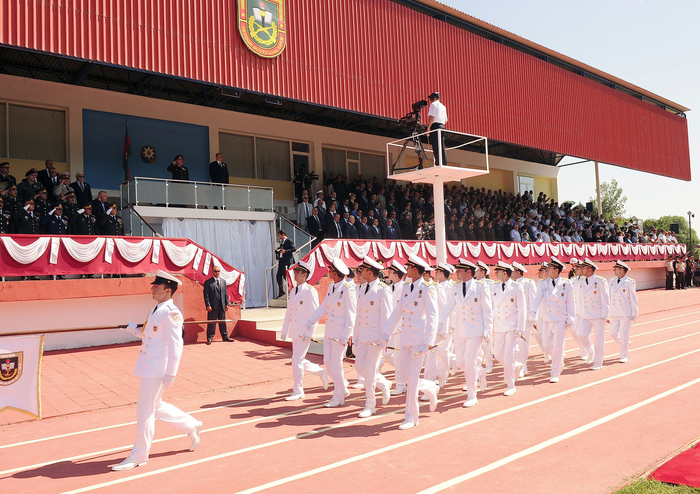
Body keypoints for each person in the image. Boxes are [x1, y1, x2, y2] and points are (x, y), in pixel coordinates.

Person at [111, 271, 201, 471]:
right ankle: (190, 425)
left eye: (156, 287)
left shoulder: (172, 313)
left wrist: (171, 373)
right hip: (150, 366)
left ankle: (139, 455)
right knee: (156, 405)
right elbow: (150, 334)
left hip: (158, 369)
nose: (152, 288)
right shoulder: (156, 309)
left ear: (168, 290)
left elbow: (176, 344)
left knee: (144, 410)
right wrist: (132, 328)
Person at [383, 255, 439, 430]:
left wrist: (427, 342)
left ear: (415, 270)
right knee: (406, 376)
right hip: (406, 337)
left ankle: (411, 417)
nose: (405, 270)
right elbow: (397, 312)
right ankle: (430, 387)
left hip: (419, 340)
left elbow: (433, 317)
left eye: (408, 268)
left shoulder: (427, 288)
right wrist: (386, 333)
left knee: (412, 379)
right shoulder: (407, 288)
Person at [438, 258, 491, 408]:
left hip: (475, 330)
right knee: (461, 362)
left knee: (469, 361)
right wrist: (441, 322)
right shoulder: (456, 287)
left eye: (460, 271)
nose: (457, 273)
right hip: (460, 329)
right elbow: (449, 306)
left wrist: (488, 329)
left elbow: (487, 310)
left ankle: (472, 395)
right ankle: (480, 372)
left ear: (469, 272)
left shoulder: (481, 287)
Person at [304, 258, 357, 407]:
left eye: (331, 271)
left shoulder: (348, 288)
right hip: (329, 332)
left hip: (340, 334)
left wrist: (346, 335)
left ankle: (339, 396)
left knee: (336, 364)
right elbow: (323, 306)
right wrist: (311, 321)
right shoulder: (332, 287)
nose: (329, 273)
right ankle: (343, 388)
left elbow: (351, 313)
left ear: (336, 272)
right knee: (328, 363)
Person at [280, 261, 328, 400]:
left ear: (305, 274)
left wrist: (309, 333)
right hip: (295, 330)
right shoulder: (294, 290)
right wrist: (284, 330)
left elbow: (315, 313)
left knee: (296, 360)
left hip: (303, 331)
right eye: (295, 272)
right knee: (298, 359)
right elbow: (289, 311)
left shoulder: (309, 291)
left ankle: (298, 390)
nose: (294, 274)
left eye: (298, 272)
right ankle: (320, 371)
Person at [352, 257, 392, 417]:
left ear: (370, 272)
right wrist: (355, 336)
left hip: (376, 337)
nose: (360, 274)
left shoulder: (382, 289)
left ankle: (370, 404)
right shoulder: (361, 289)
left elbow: (387, 316)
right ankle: (383, 383)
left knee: (369, 369)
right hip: (362, 335)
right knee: (359, 366)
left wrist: (385, 338)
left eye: (362, 271)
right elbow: (358, 316)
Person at [530, 257, 575, 383]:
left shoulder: (566, 284)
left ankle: (555, 371)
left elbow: (570, 303)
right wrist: (533, 312)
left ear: (556, 270)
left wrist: (570, 319)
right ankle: (559, 358)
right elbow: (537, 299)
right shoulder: (543, 284)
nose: (547, 270)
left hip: (560, 319)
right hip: (547, 319)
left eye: (549, 268)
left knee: (559, 345)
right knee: (546, 345)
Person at [491, 261, 526, 396]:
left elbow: (522, 309)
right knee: (498, 355)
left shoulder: (516, 287)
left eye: (498, 271)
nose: (496, 274)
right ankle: (516, 366)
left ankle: (510, 385)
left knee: (508, 355)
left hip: (512, 326)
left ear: (504, 273)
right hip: (499, 325)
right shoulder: (495, 287)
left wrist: (520, 328)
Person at [381, 260, 408, 396]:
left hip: (400, 328)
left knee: (398, 356)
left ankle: (401, 384)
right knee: (387, 354)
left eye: (390, 272)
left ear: (396, 275)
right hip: (390, 327)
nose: (388, 274)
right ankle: (404, 375)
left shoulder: (405, 288)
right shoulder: (388, 288)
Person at [578, 258, 610, 370]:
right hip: (585, 313)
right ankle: (591, 350)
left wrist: (605, 315)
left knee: (599, 340)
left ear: (590, 269)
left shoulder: (601, 281)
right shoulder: (581, 281)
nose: (581, 269)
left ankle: (598, 362)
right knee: (581, 334)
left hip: (597, 314)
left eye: (583, 268)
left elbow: (605, 299)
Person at [609, 260, 638, 363]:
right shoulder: (611, 281)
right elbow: (609, 297)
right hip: (614, 312)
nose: (614, 270)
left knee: (624, 334)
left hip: (625, 312)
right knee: (612, 333)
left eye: (616, 269)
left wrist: (634, 313)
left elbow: (633, 298)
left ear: (622, 270)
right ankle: (625, 343)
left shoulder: (629, 282)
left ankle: (624, 355)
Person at [511, 261, 537, 377]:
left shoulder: (528, 283)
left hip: (525, 319)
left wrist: (533, 317)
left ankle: (523, 364)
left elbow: (533, 300)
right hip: (512, 319)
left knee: (523, 344)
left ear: (517, 272)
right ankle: (515, 364)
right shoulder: (510, 284)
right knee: (513, 344)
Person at [203, 265, 234, 344]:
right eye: (215, 271)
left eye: (218, 271)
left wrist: (227, 303)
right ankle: (210, 337)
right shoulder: (208, 282)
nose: (217, 273)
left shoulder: (223, 281)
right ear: (212, 272)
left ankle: (225, 336)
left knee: (222, 321)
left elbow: (225, 293)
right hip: (212, 306)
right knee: (212, 322)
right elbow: (206, 295)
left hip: (221, 305)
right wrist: (208, 305)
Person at [427, 92, 447, 167]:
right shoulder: (443, 106)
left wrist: (428, 128)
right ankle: (444, 162)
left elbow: (432, 117)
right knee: (442, 145)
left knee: (436, 145)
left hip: (435, 126)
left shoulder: (433, 105)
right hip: (442, 126)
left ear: (434, 98)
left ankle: (438, 162)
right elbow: (445, 120)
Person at [275, 230, 295, 298]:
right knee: (278, 276)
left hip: (286, 261)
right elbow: (280, 251)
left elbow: (293, 249)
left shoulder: (289, 241)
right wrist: (278, 250)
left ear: (283, 234)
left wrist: (285, 251)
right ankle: (281, 291)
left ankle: (291, 288)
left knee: (285, 275)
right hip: (281, 261)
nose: (279, 237)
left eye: (280, 236)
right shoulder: (282, 242)